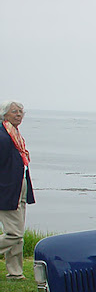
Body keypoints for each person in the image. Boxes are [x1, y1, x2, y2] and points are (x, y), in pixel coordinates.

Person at [0, 100, 35, 280]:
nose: (19, 114)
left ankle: (15, 272)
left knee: (18, 236)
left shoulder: (14, 134)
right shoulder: (2, 135)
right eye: (14, 111)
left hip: (19, 187)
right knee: (14, 234)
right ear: (4, 114)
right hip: (6, 190)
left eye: (21, 111)